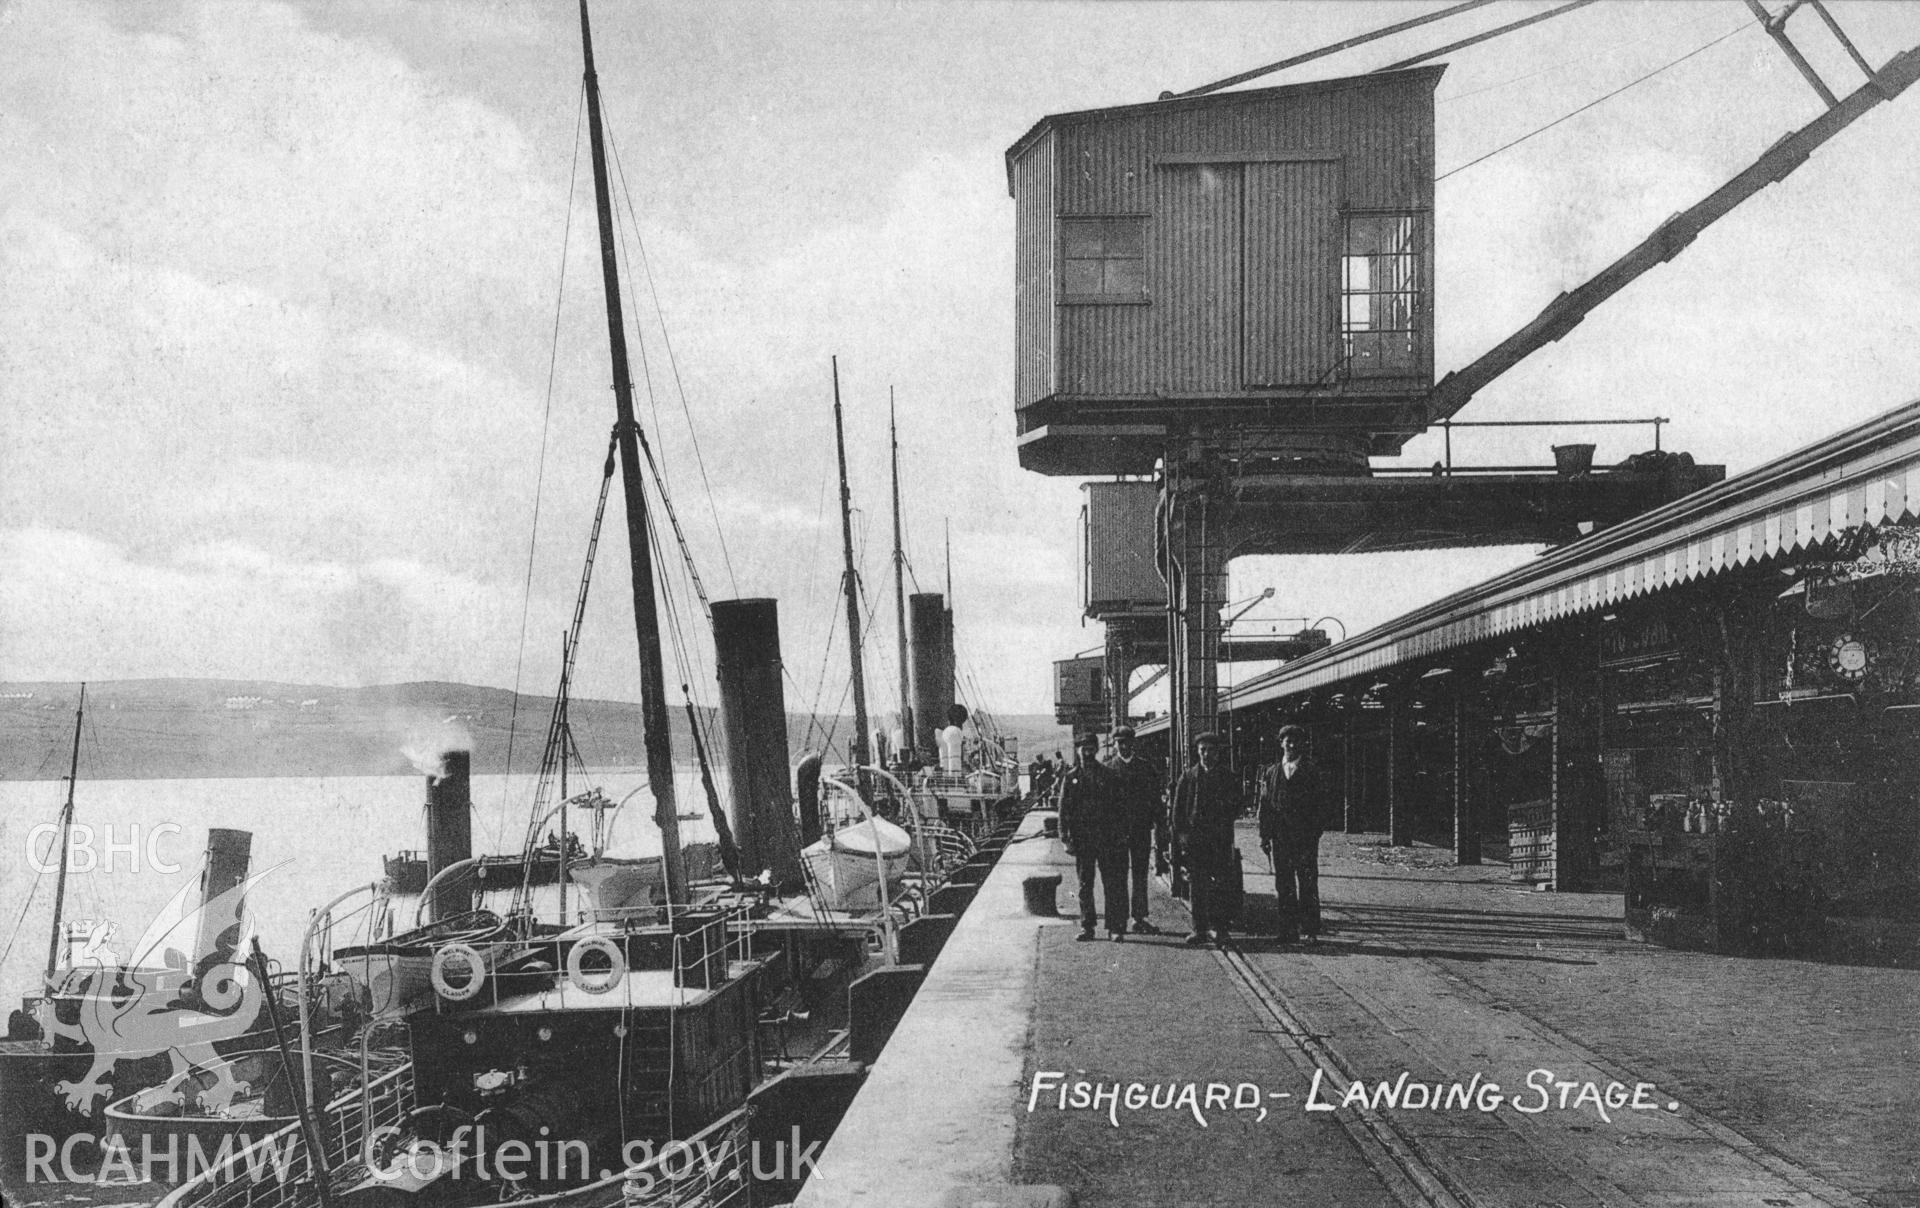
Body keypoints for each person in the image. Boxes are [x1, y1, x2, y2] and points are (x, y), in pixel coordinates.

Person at [1256, 723, 1332, 944]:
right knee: (1284, 884)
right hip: (1280, 839)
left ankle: (1310, 930)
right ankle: (1287, 930)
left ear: (1302, 744)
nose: (1291, 744)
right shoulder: (1271, 773)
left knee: (1308, 883)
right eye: (1287, 741)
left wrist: (1314, 833)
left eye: (1295, 741)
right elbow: (1266, 806)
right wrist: (1264, 836)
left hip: (1305, 839)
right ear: (1281, 744)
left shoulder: (1312, 771)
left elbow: (1322, 806)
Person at [1170, 732, 1243, 947]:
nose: (1206, 754)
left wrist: (1224, 818)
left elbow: (1238, 804)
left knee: (1221, 886)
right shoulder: (1189, 776)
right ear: (1197, 751)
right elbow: (1177, 811)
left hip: (1219, 841)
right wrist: (1183, 837)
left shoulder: (1228, 777)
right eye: (1202, 750)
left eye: (1211, 750)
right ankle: (1199, 929)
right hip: (1196, 842)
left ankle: (1220, 929)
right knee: (1198, 887)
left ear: (1217, 752)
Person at [1055, 732, 1128, 941]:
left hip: (1107, 839)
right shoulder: (1070, 778)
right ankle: (1088, 927)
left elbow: (1119, 808)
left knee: (1111, 883)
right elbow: (1063, 811)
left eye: (1090, 748)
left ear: (1096, 750)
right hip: (1082, 840)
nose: (1086, 752)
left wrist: (1120, 834)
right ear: (1078, 750)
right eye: (1083, 748)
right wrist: (1065, 838)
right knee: (1085, 885)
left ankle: (1115, 928)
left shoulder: (1108, 775)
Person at [1101, 725, 1165, 935]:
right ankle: (1118, 924)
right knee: (1117, 878)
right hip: (1115, 834)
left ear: (1133, 743)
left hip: (1140, 831)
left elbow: (1156, 801)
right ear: (1116, 744)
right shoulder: (1108, 769)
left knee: (1140, 876)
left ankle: (1139, 918)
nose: (1124, 746)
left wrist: (1160, 828)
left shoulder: (1146, 768)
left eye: (1127, 742)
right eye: (1120, 743)